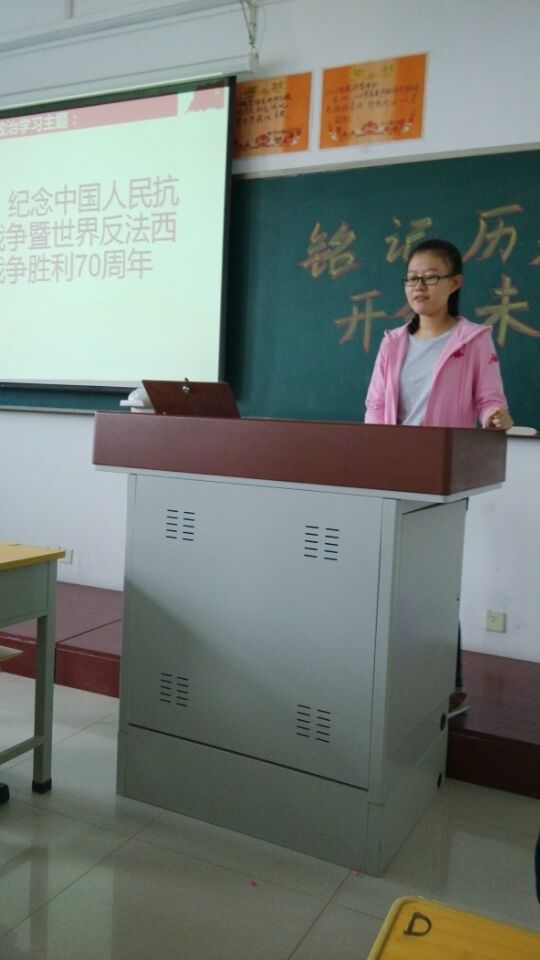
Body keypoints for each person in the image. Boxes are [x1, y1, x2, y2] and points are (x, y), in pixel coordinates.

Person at [365, 238, 513, 718]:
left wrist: (493, 416)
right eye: (412, 278)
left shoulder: (472, 339)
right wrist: (371, 459)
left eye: (431, 277)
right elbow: (375, 406)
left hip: (443, 475)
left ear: (454, 283)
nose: (419, 287)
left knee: (435, 584)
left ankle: (450, 687)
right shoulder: (392, 342)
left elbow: (489, 398)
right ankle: (393, 678)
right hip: (392, 472)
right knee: (390, 580)